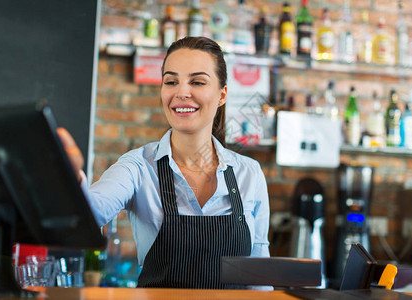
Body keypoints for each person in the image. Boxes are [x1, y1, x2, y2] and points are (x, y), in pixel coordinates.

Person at [59, 36, 270, 289]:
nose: (181, 92)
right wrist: (69, 176)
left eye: (197, 81)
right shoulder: (138, 167)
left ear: (222, 94)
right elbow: (92, 213)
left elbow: (259, 273)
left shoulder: (249, 173)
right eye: (171, 81)